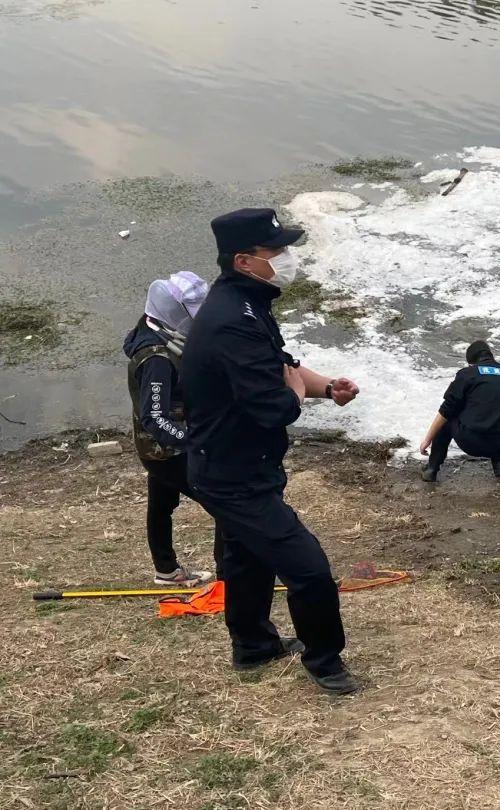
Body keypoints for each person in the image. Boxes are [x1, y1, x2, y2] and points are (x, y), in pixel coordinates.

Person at [181, 208, 362, 696]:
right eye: (276, 252)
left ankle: (254, 646)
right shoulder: (230, 323)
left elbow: (284, 367)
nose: (286, 259)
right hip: (233, 475)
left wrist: (326, 387)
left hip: (237, 463)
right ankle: (325, 661)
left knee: (247, 559)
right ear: (244, 260)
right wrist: (296, 392)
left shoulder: (245, 304)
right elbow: (274, 406)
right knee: (309, 570)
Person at [123, 271, 222, 585]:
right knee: (225, 503)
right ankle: (229, 577)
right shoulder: (156, 359)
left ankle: (165, 570)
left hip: (158, 447)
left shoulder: (152, 329)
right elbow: (155, 417)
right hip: (166, 450)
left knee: (161, 505)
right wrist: (194, 441)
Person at [419, 340, 500, 482]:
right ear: (491, 357)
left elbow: (446, 410)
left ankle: (431, 469)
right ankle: (499, 466)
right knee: (497, 413)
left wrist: (427, 440)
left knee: (448, 417)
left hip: (471, 443)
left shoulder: (468, 374)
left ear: (471, 363)